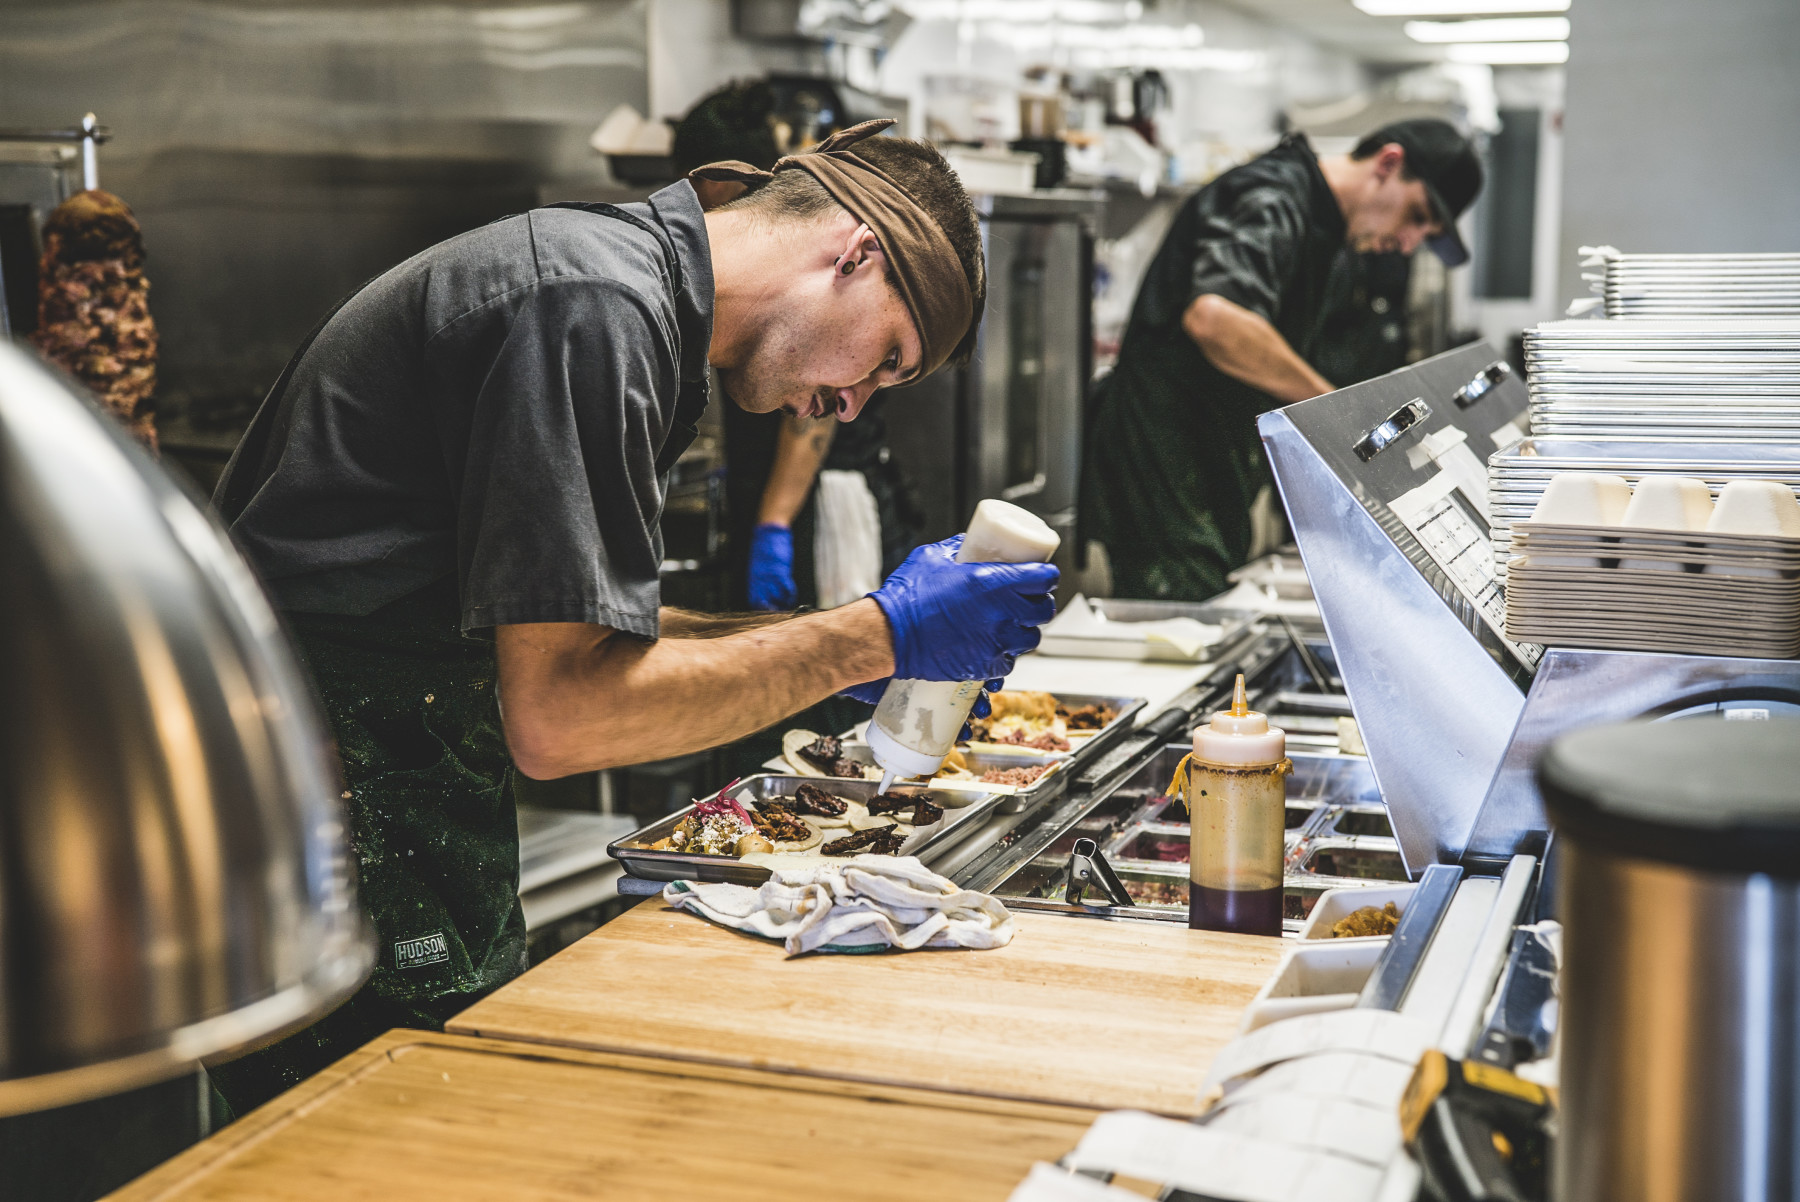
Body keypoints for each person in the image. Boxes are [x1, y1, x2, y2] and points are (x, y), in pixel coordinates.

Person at [205, 120, 1044, 1115]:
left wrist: (822, 646)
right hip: (329, 827)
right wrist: (873, 634)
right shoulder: (595, 306)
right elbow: (565, 716)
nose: (850, 405)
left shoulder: (628, 293)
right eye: (885, 358)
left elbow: (573, 628)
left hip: (395, 804)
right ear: (855, 255)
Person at [1083, 119, 1483, 600]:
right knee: (1182, 628)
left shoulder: (1327, 229)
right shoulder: (1274, 196)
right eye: (1417, 215)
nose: (1409, 241)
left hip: (1212, 467)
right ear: (1388, 163)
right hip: (1162, 465)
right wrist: (1336, 412)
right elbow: (1215, 318)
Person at [670, 80, 919, 614]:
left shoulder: (808, 252)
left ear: (718, 180)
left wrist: (775, 523)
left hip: (815, 500)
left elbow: (823, 399)